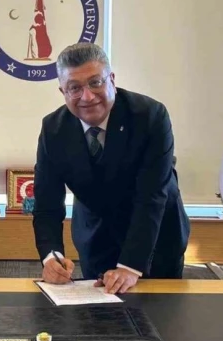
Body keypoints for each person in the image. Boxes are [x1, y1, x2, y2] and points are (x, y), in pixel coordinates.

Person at [32, 42, 190, 294]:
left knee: (160, 311)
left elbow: (151, 196)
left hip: (156, 236)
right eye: (74, 88)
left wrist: (130, 266)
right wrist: (52, 256)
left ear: (112, 80)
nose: (87, 96)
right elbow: (47, 204)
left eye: (95, 82)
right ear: (63, 91)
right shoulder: (53, 129)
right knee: (99, 311)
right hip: (96, 236)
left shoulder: (150, 116)